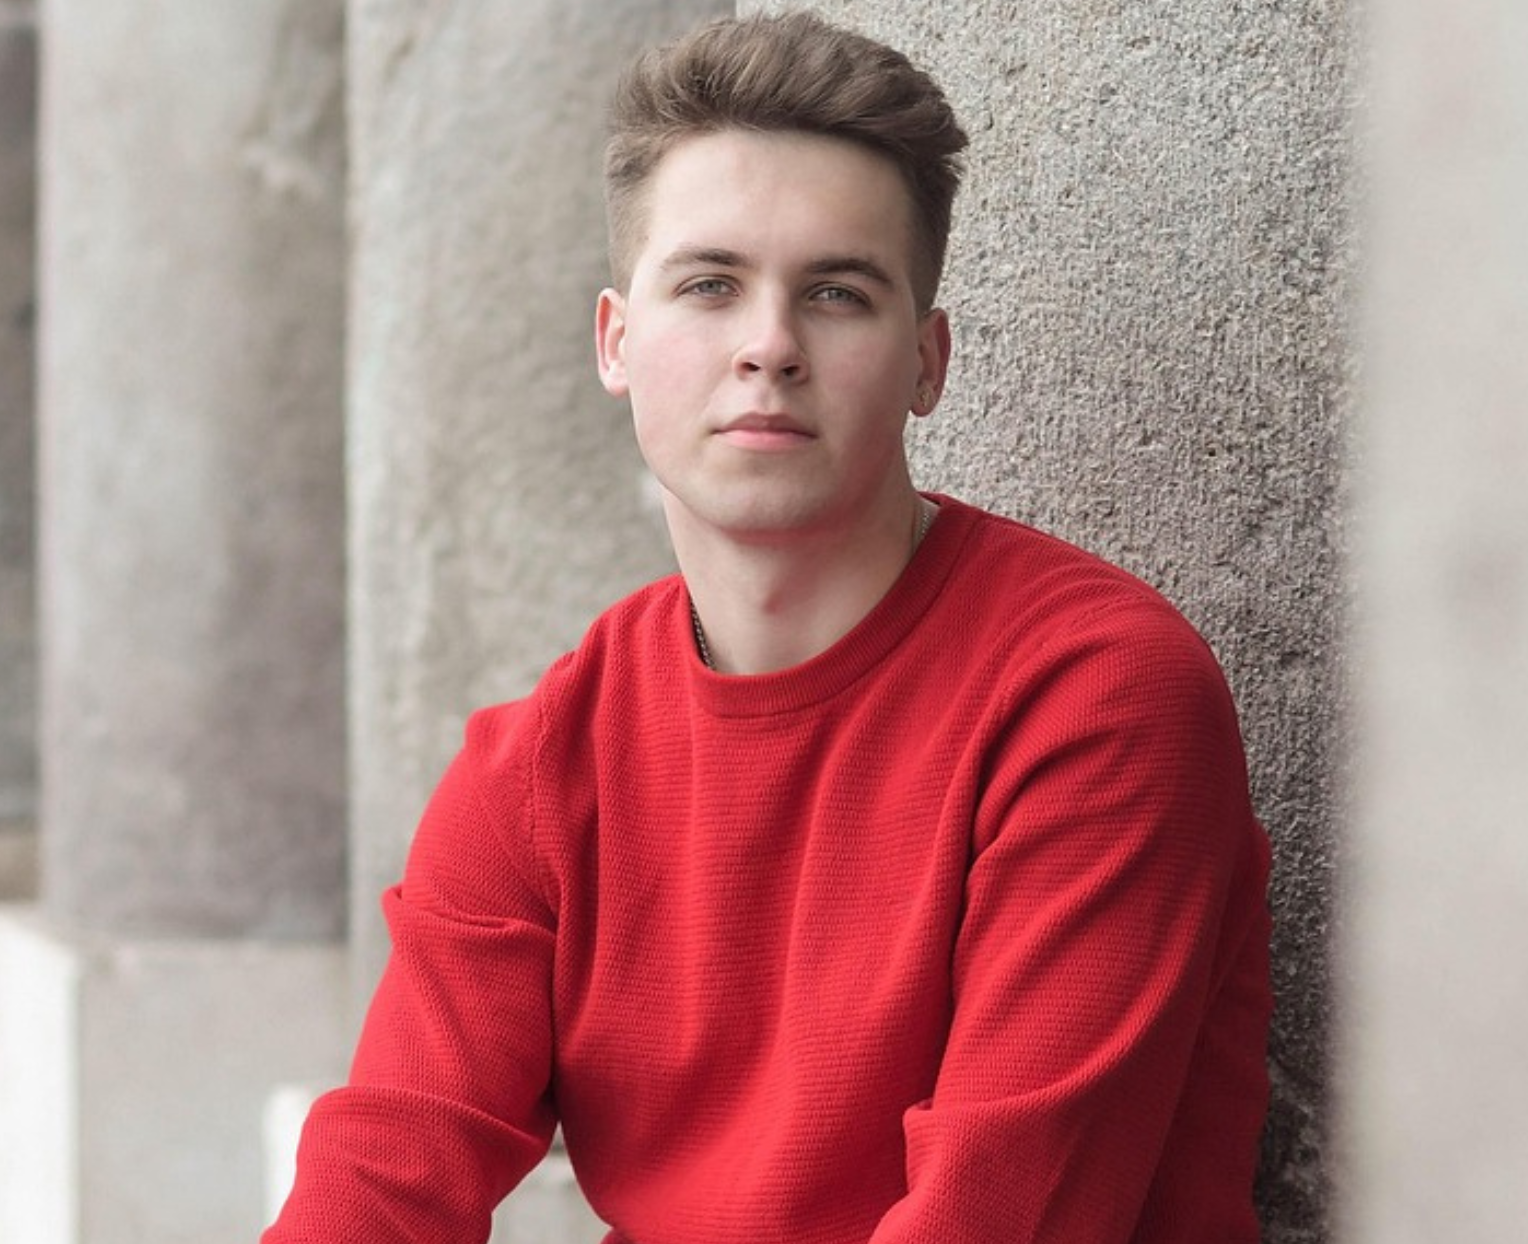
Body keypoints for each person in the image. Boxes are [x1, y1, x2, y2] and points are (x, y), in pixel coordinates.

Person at [264, 11, 1271, 1243]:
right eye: (709, 285)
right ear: (616, 342)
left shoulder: (1097, 695)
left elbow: (998, 1219)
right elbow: (381, 1181)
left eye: (837, 294)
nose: (770, 347)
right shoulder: (541, 765)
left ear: (928, 362)